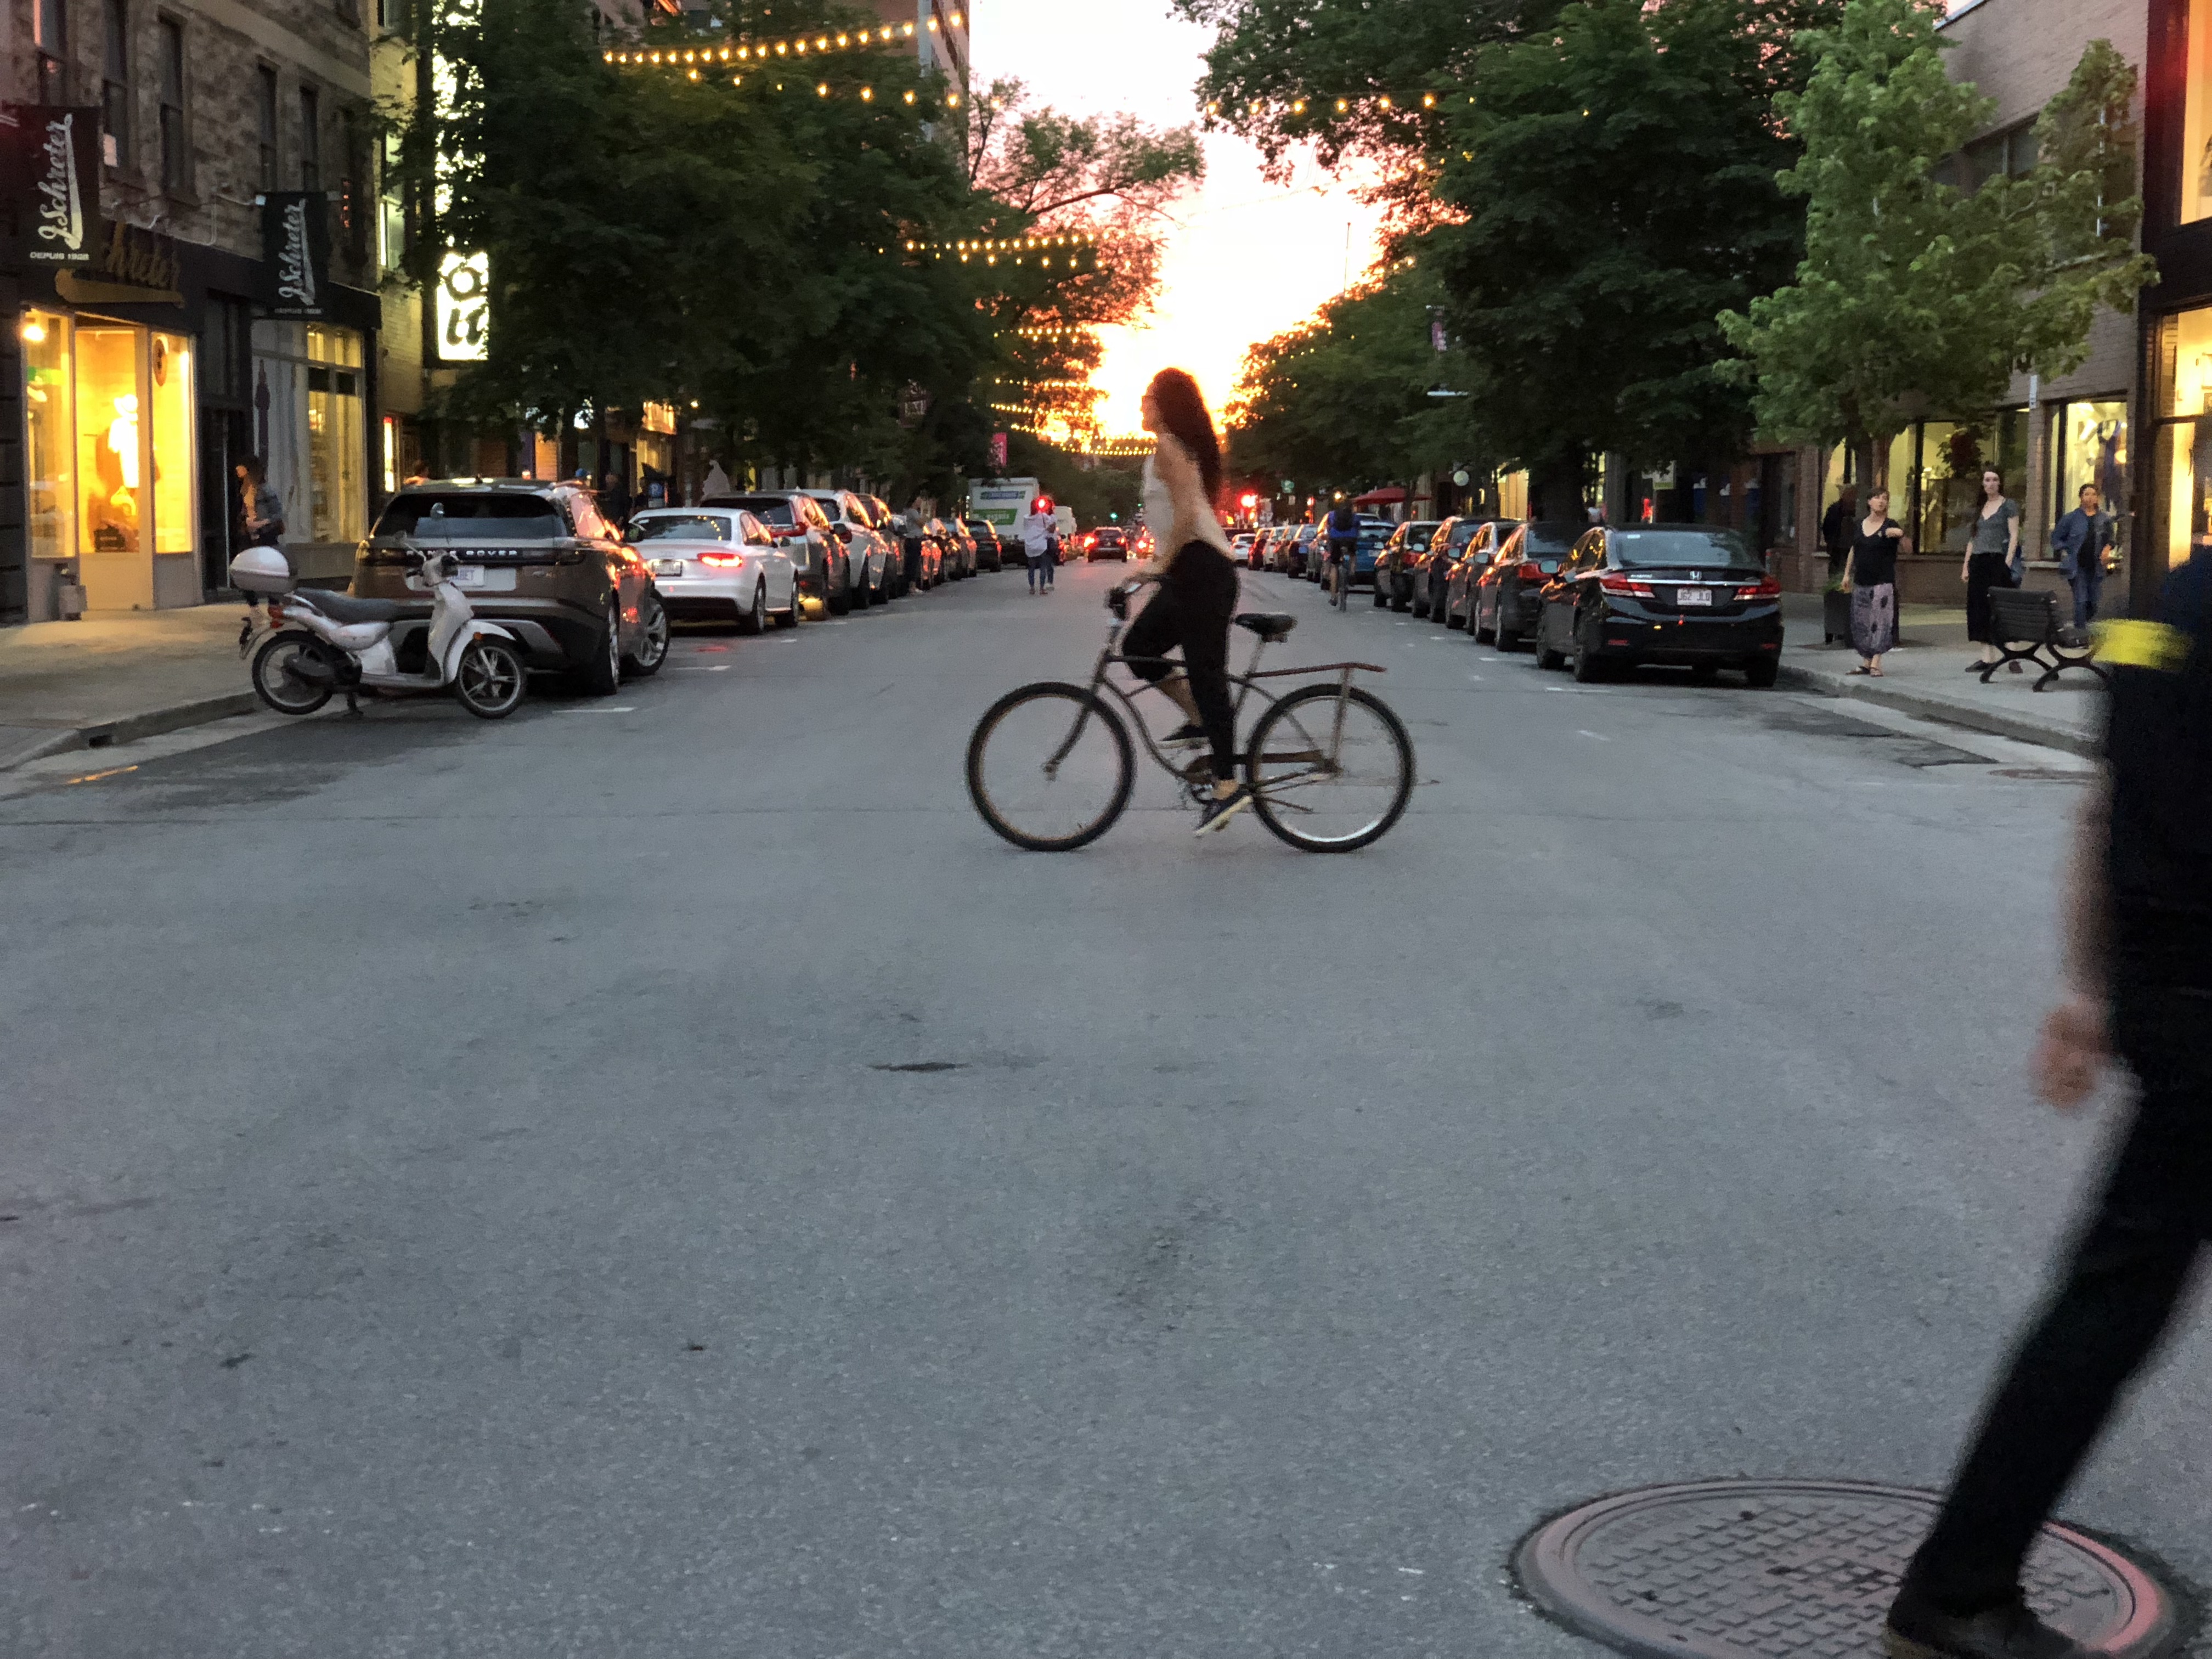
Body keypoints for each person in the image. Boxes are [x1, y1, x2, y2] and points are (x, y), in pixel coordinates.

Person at [1885, 544, 2212, 1659]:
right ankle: (1958, 1586)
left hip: (2166, 992)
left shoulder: (2152, 608)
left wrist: (2086, 986)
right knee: (2109, 1302)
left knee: (2113, 1294)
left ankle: (1962, 1581)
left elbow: (2103, 804)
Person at [1121, 369, 1250, 834]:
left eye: (1148, 396)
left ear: (1166, 405)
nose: (1141, 403)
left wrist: (1159, 565)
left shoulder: (1171, 448)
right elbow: (1175, 518)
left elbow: (1190, 516)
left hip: (1204, 571)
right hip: (1187, 570)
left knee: (1206, 673)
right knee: (1139, 648)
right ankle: (1199, 718)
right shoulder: (1163, 451)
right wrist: (1155, 566)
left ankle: (1228, 784)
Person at [1841, 486, 1909, 677]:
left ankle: (1876, 663)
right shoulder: (1859, 525)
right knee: (1861, 621)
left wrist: (1901, 535)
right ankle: (1865, 662)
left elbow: (1908, 548)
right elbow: (1854, 550)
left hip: (1883, 581)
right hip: (1861, 580)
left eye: (1885, 498)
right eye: (1878, 498)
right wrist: (1847, 574)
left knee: (1880, 621)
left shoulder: (1890, 525)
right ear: (1869, 502)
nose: (1882, 501)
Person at [1964, 468, 2022, 672]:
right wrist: (1966, 565)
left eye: (1995, 480)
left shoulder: (2008, 506)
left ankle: (2013, 655)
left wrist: (2007, 562)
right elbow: (1973, 538)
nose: (1991, 483)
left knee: (2002, 608)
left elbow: (2014, 535)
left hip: (1998, 560)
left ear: (2000, 483)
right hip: (1978, 562)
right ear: (1983, 483)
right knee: (1979, 609)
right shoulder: (1980, 507)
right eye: (1987, 480)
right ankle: (1987, 658)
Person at [2049, 484, 2117, 629]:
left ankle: (2081, 624)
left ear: (2097, 498)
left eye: (2093, 494)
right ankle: (2080, 634)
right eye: (2086, 494)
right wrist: (2066, 550)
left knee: (2093, 602)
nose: (2090, 497)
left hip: (2096, 567)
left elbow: (2111, 538)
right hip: (2077, 566)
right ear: (2081, 497)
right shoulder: (2071, 518)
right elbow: (2056, 539)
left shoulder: (2104, 519)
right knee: (2081, 600)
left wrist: (2107, 548)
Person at [1821, 484, 1860, 582]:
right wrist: (1831, 542)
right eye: (1850, 494)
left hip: (1854, 547)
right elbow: (1827, 527)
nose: (1853, 497)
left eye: (1854, 495)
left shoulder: (1859, 510)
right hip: (1837, 549)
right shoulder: (1835, 509)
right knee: (1837, 573)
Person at [1018, 498, 1055, 595]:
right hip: (1041, 545)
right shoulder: (1043, 516)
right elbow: (1052, 523)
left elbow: (1026, 528)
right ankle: (1042, 589)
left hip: (1030, 546)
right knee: (1043, 568)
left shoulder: (1026, 518)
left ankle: (1032, 588)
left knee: (1031, 568)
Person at [1323, 496, 1359, 597]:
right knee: (1353, 555)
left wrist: (1330, 537)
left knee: (1334, 566)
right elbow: (1358, 528)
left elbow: (1328, 528)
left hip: (1336, 539)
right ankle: (1352, 572)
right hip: (1350, 539)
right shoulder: (1354, 516)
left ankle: (1334, 595)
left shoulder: (1331, 515)